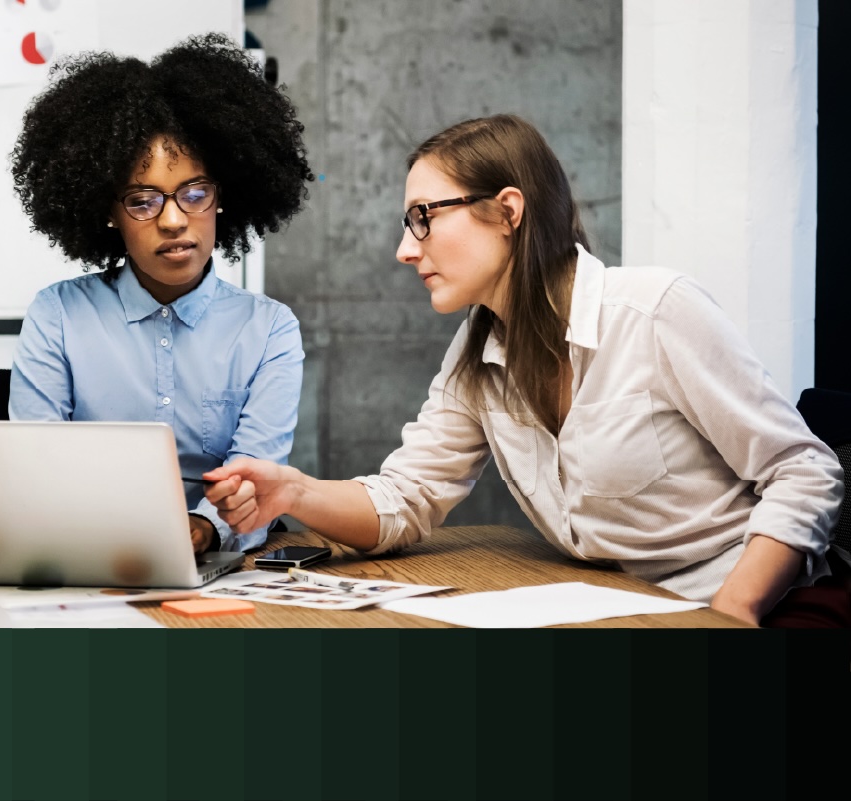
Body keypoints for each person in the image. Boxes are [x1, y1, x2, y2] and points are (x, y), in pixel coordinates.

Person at [203, 114, 844, 626]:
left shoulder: (654, 312)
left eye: (423, 218)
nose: (404, 249)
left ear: (508, 211)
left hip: (757, 606)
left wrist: (732, 612)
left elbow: (806, 472)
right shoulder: (477, 350)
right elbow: (407, 499)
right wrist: (294, 491)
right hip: (619, 609)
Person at [0, 33, 316, 558]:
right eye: (143, 201)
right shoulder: (58, 315)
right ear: (108, 213)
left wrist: (203, 527)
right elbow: (36, 474)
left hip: (222, 562)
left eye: (195, 193)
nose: (174, 220)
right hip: (85, 556)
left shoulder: (269, 330)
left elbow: (259, 481)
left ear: (223, 197)